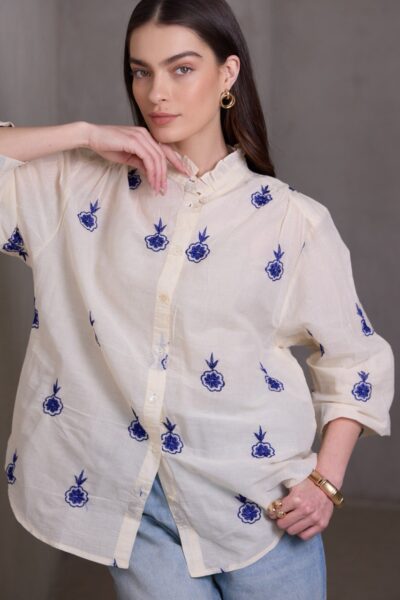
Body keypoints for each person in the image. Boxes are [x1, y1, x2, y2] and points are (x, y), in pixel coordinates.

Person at [0, 0, 394, 599]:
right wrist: (83, 134)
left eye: (181, 68)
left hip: (263, 511)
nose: (156, 93)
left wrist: (326, 482)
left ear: (227, 73)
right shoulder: (75, 188)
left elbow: (356, 362)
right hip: (134, 512)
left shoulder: (292, 223)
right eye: (141, 71)